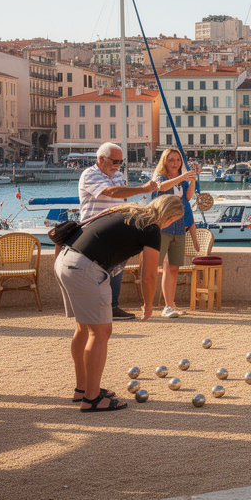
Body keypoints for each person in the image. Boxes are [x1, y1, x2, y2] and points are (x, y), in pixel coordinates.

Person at [59, 195, 183, 411]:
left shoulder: (129, 210)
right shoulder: (151, 226)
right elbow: (149, 275)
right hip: (86, 267)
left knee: (84, 328)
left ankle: (83, 389)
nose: (170, 225)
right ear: (170, 217)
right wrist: (148, 304)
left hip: (65, 259)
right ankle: (92, 398)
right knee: (101, 333)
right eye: (173, 221)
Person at [78, 142, 159, 320]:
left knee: (116, 267)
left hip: (114, 230)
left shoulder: (119, 175)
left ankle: (112, 307)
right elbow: (111, 192)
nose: (117, 166)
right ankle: (99, 308)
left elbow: (121, 198)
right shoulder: (89, 174)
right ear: (101, 159)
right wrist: (143, 189)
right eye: (114, 162)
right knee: (99, 270)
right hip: (94, 230)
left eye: (119, 162)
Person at [150, 148, 199, 319]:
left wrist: (192, 180)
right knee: (160, 267)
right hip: (163, 228)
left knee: (174, 267)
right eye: (171, 160)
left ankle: (170, 304)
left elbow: (188, 196)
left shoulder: (181, 181)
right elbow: (161, 187)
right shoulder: (160, 177)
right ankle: (160, 305)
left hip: (179, 228)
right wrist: (183, 176)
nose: (175, 163)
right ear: (165, 161)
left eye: (177, 160)